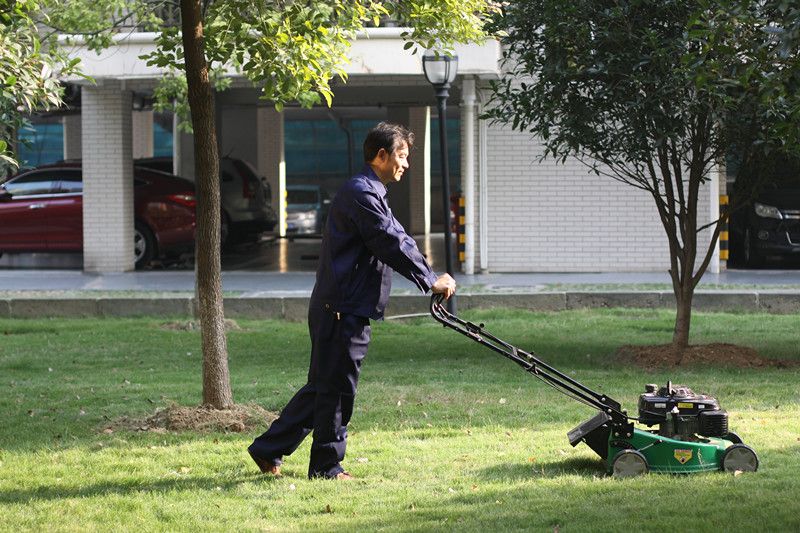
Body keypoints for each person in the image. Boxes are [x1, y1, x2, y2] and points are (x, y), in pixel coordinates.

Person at [248, 122, 456, 480]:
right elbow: (390, 241)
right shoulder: (362, 194)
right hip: (341, 309)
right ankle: (327, 466)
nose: (406, 164)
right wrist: (429, 278)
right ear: (381, 156)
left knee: (323, 387)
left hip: (341, 306)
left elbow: (397, 237)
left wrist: (428, 271)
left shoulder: (368, 192)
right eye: (402, 156)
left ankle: (269, 449)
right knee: (337, 390)